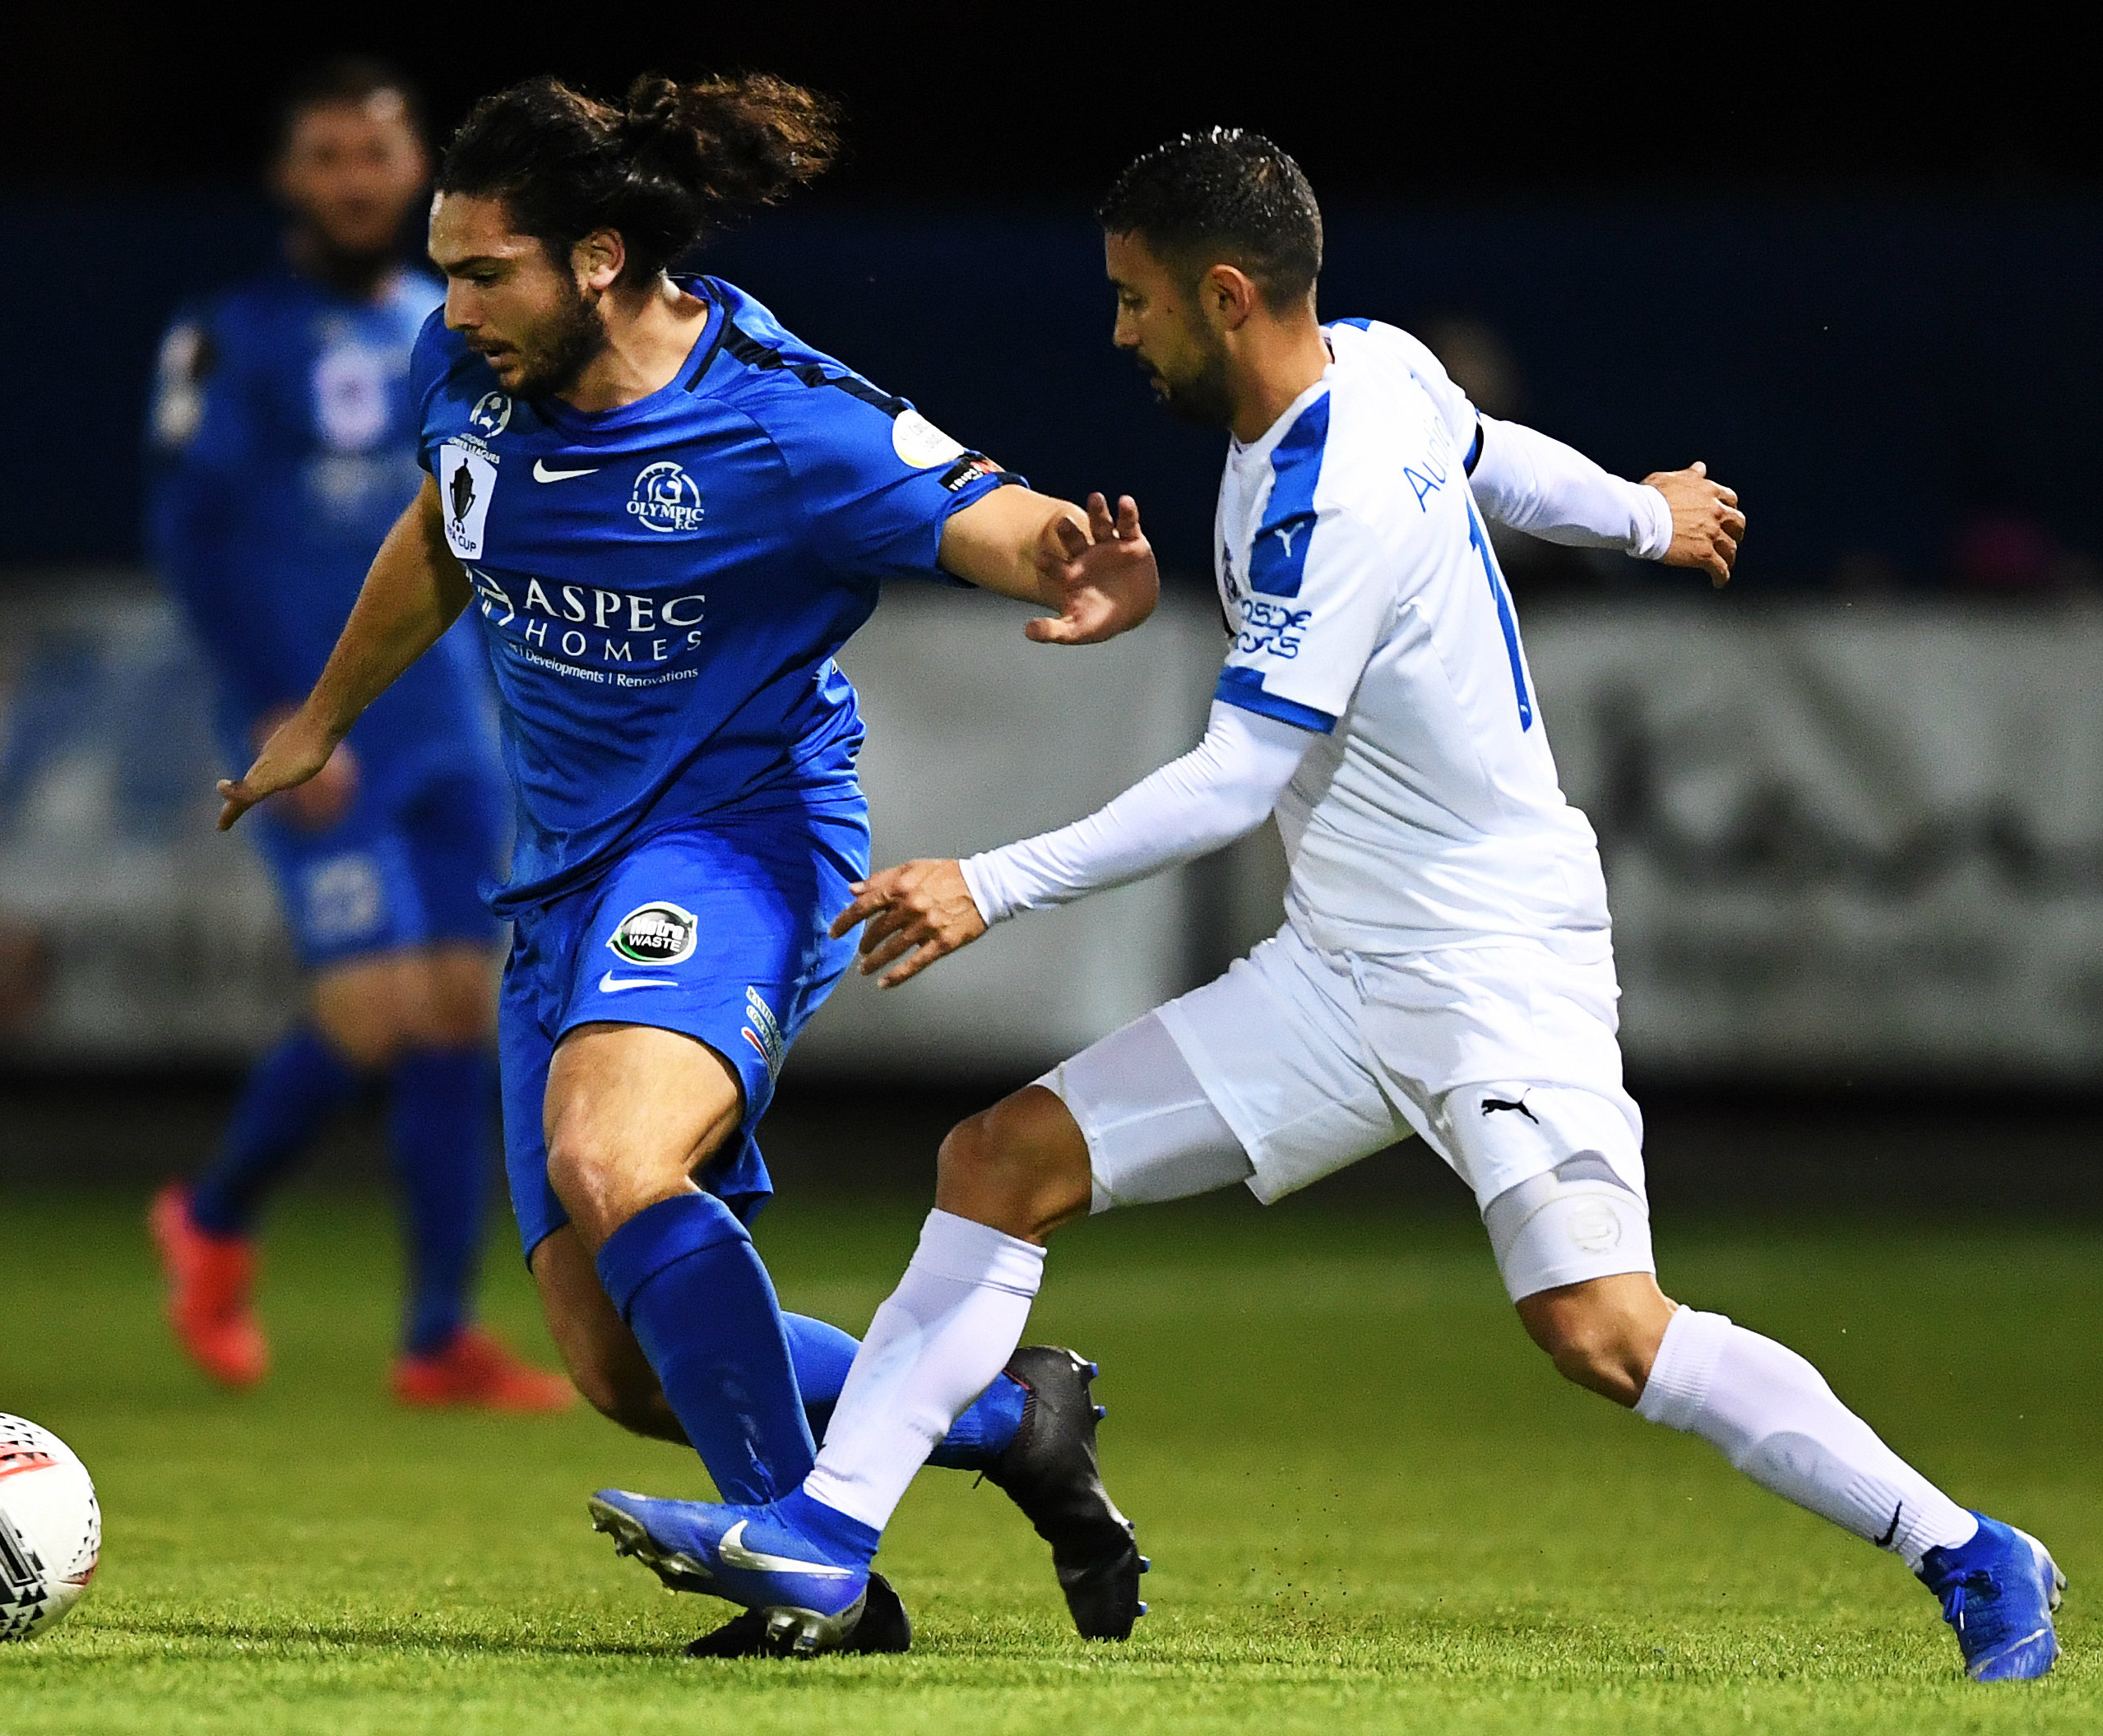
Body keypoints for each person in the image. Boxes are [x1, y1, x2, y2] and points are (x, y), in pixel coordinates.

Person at [584, 127, 2068, 1684]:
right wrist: (1642, 512)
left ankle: (1966, 1547)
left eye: (1134, 300)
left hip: (1492, 965)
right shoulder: (1376, 362)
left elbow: (1232, 782)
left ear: (1223, 296)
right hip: (1339, 966)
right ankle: (827, 1535)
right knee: (997, 1160)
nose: (1116, 332)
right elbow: (1495, 452)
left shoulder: (1323, 497)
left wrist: (990, 883)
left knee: (1603, 1333)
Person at [218, 72, 1165, 1657]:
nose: (447, 310)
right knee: (616, 1366)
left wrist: (1082, 567)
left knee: (610, 1161)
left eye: (478, 272)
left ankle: (818, 1588)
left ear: (595, 259)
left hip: (740, 839)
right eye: (442, 274)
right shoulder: (475, 379)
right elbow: (447, 535)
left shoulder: (775, 414)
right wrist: (323, 718)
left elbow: (976, 507)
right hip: (559, 882)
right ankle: (1008, 1423)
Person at [143, 58, 569, 1413]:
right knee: (371, 1013)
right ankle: (213, 1216)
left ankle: (436, 1334)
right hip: (312, 720)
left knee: (460, 1013)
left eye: (374, 155)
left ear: (419, 173)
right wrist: (278, 699)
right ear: (288, 178)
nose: (352, 181)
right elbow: (189, 533)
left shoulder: (450, 325)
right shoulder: (231, 334)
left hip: (451, 715)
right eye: (326, 156)